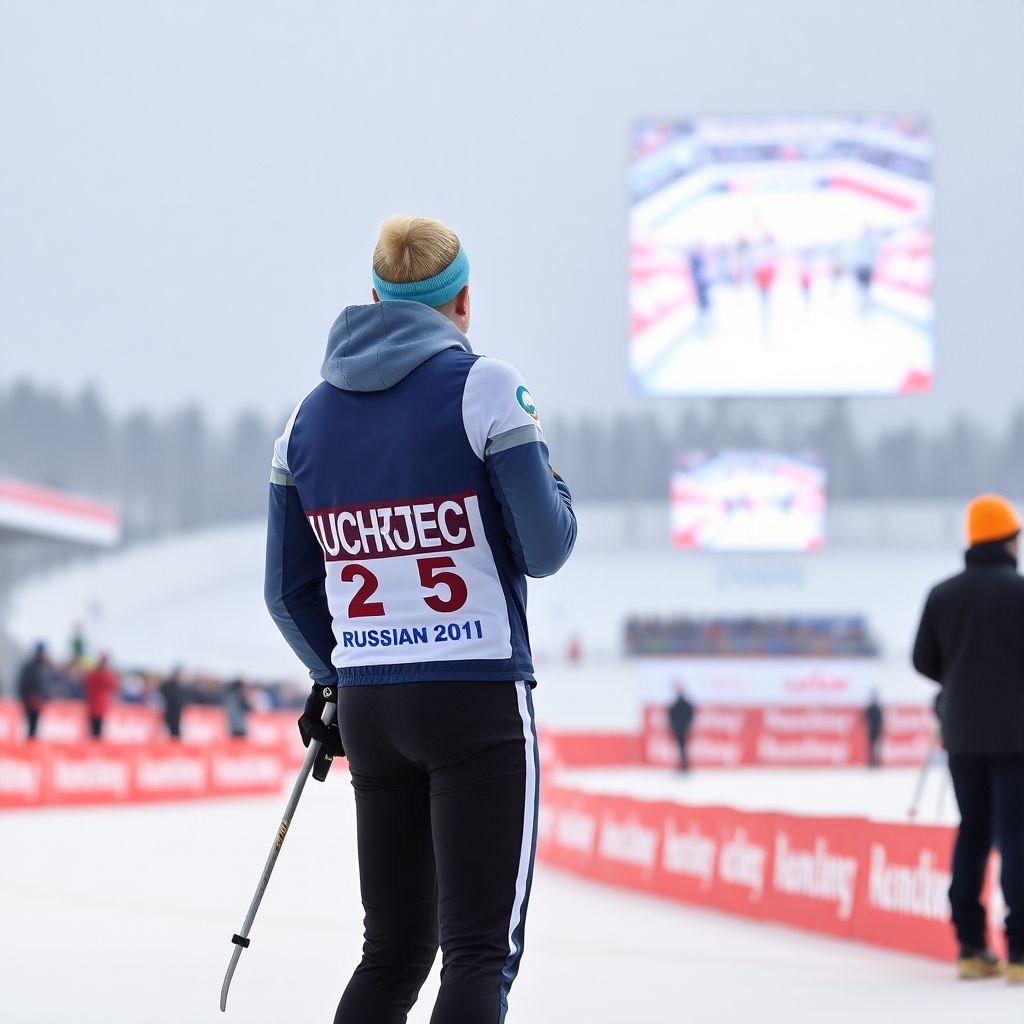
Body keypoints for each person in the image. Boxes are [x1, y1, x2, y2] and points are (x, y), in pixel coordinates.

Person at [264, 214, 577, 1024]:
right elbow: (545, 549)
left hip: (371, 702)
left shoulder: (303, 421)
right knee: (478, 954)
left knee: (392, 952)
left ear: (375, 297)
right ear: (463, 298)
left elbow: (287, 592)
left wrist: (331, 677)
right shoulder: (484, 386)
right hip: (475, 696)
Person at [913, 493, 1024, 982]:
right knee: (1017, 835)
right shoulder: (1021, 593)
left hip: (962, 735)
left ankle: (971, 946)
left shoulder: (943, 595)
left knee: (972, 832)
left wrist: (959, 679)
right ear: (1008, 539)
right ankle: (1020, 951)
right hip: (1018, 736)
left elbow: (923, 661)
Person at [17, 642, 50, 740]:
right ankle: (29, 749)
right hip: (30, 701)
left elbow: (45, 685)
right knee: (30, 726)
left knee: (36, 728)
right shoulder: (31, 667)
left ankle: (32, 748)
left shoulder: (44, 667)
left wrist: (45, 697)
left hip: (38, 701)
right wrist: (24, 699)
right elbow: (23, 684)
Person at [83, 653, 120, 740]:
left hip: (93, 705)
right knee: (99, 731)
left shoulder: (93, 675)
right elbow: (115, 686)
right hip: (102, 705)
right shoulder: (109, 676)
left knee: (94, 730)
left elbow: (86, 686)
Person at [667, 683, 695, 772]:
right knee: (682, 747)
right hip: (682, 728)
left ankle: (684, 765)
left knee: (682, 747)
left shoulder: (678, 704)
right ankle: (684, 765)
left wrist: (675, 725)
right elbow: (671, 716)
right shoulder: (680, 703)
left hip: (681, 728)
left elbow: (672, 716)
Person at [159, 667, 185, 739]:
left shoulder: (180, 686)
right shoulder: (168, 685)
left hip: (177, 714)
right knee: (169, 733)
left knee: (176, 733)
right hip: (169, 713)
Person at [864, 691, 884, 768]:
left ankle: (872, 762)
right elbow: (881, 720)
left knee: (872, 746)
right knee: (875, 746)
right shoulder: (877, 708)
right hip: (875, 729)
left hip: (872, 729)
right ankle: (874, 762)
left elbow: (865, 719)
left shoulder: (870, 708)